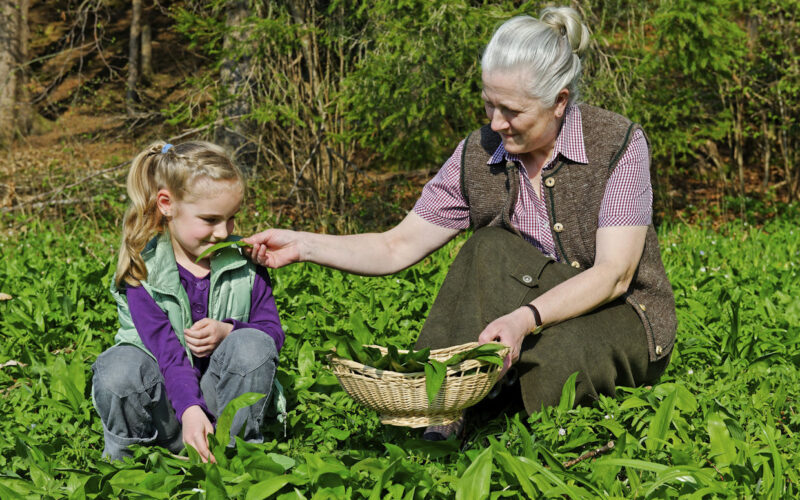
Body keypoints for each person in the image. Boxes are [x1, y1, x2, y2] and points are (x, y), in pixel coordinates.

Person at [246, 6, 676, 440]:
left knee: (557, 356)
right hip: (529, 306)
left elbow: (614, 275)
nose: (495, 123)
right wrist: (303, 246)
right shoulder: (478, 153)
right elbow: (397, 245)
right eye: (489, 104)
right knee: (487, 245)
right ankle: (437, 408)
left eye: (511, 110)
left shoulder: (617, 143)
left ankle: (493, 401)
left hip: (620, 313)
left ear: (559, 101)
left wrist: (523, 321)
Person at [92, 141, 285, 461]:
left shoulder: (245, 267)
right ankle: (131, 463)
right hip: (165, 413)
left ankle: (236, 455)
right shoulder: (143, 272)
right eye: (210, 220)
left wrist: (228, 330)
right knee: (118, 368)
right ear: (167, 204)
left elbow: (272, 332)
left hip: (221, 409)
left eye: (231, 218)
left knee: (254, 343)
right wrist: (191, 410)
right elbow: (168, 354)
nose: (224, 232)